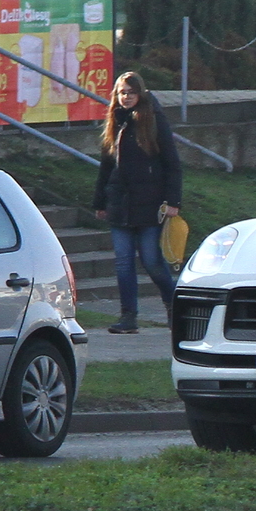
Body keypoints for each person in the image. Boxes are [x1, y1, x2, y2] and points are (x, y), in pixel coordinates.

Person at [93, 71, 183, 334]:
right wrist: (100, 202)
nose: (127, 97)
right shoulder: (115, 121)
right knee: (123, 260)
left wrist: (173, 201)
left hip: (150, 203)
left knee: (152, 260)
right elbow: (106, 166)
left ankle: (175, 304)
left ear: (140, 94)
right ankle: (128, 316)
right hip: (120, 203)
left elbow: (172, 163)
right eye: (122, 92)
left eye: (131, 93)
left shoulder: (154, 120)